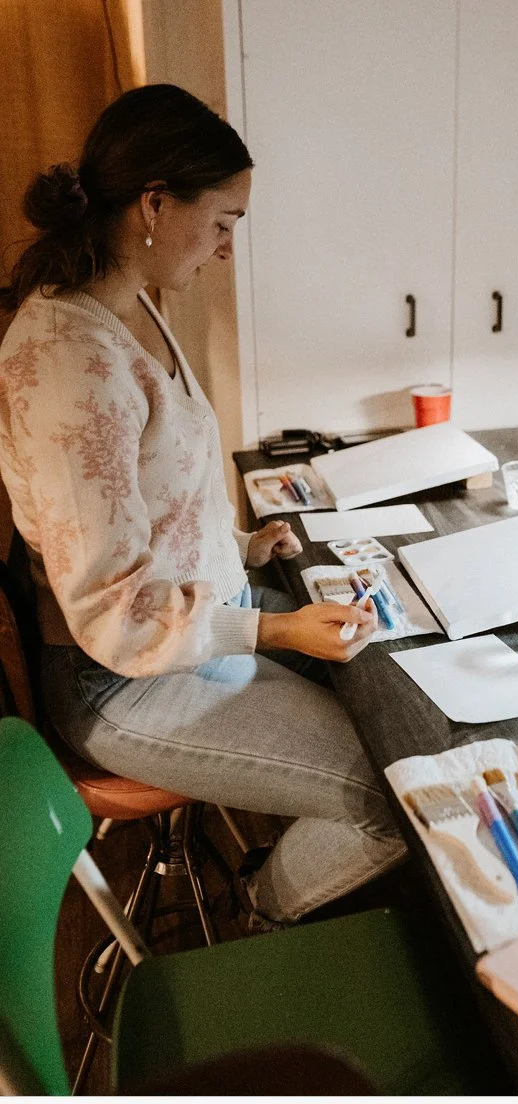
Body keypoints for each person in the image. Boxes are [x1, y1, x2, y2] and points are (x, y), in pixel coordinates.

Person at [0, 84, 406, 932]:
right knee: (391, 793)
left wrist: (237, 546)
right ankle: (257, 910)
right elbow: (113, 613)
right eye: (223, 222)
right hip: (124, 677)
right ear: (154, 205)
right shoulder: (71, 360)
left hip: (198, 624)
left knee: (392, 692)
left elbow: (153, 488)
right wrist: (278, 630)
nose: (225, 250)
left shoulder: (134, 303)